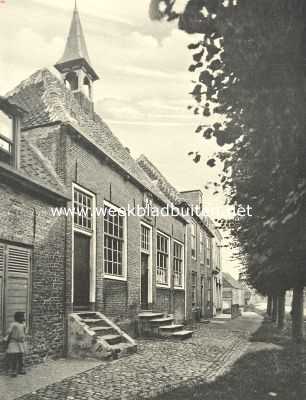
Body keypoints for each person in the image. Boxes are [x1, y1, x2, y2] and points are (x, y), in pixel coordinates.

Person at [5, 311, 26, 377]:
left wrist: (23, 338)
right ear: (17, 317)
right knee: (14, 357)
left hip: (20, 342)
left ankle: (21, 369)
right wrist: (6, 338)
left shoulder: (23, 324)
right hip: (14, 342)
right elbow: (9, 332)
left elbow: (24, 332)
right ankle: (13, 371)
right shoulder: (13, 324)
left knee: (21, 356)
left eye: (23, 317)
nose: (23, 318)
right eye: (21, 317)